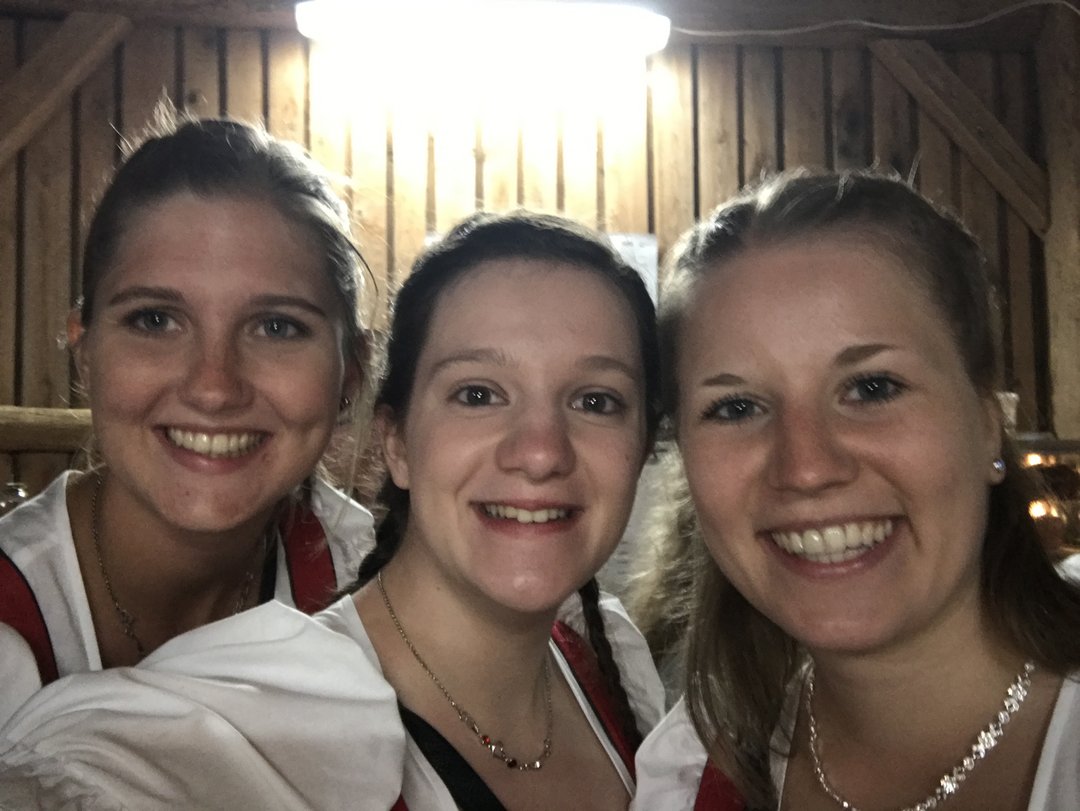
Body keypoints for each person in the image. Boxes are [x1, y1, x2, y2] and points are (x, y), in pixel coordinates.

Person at [0, 210, 665, 811]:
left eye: (596, 401)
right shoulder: (238, 726)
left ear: (642, 448)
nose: (541, 452)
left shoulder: (612, 658)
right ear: (396, 442)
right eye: (478, 394)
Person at [631, 170, 1080, 811]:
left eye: (872, 388)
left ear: (987, 423)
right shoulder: (687, 774)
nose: (807, 468)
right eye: (736, 407)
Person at [0, 115, 375, 719]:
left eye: (277, 327)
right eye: (155, 320)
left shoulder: (379, 583)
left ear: (350, 371)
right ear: (85, 351)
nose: (213, 388)